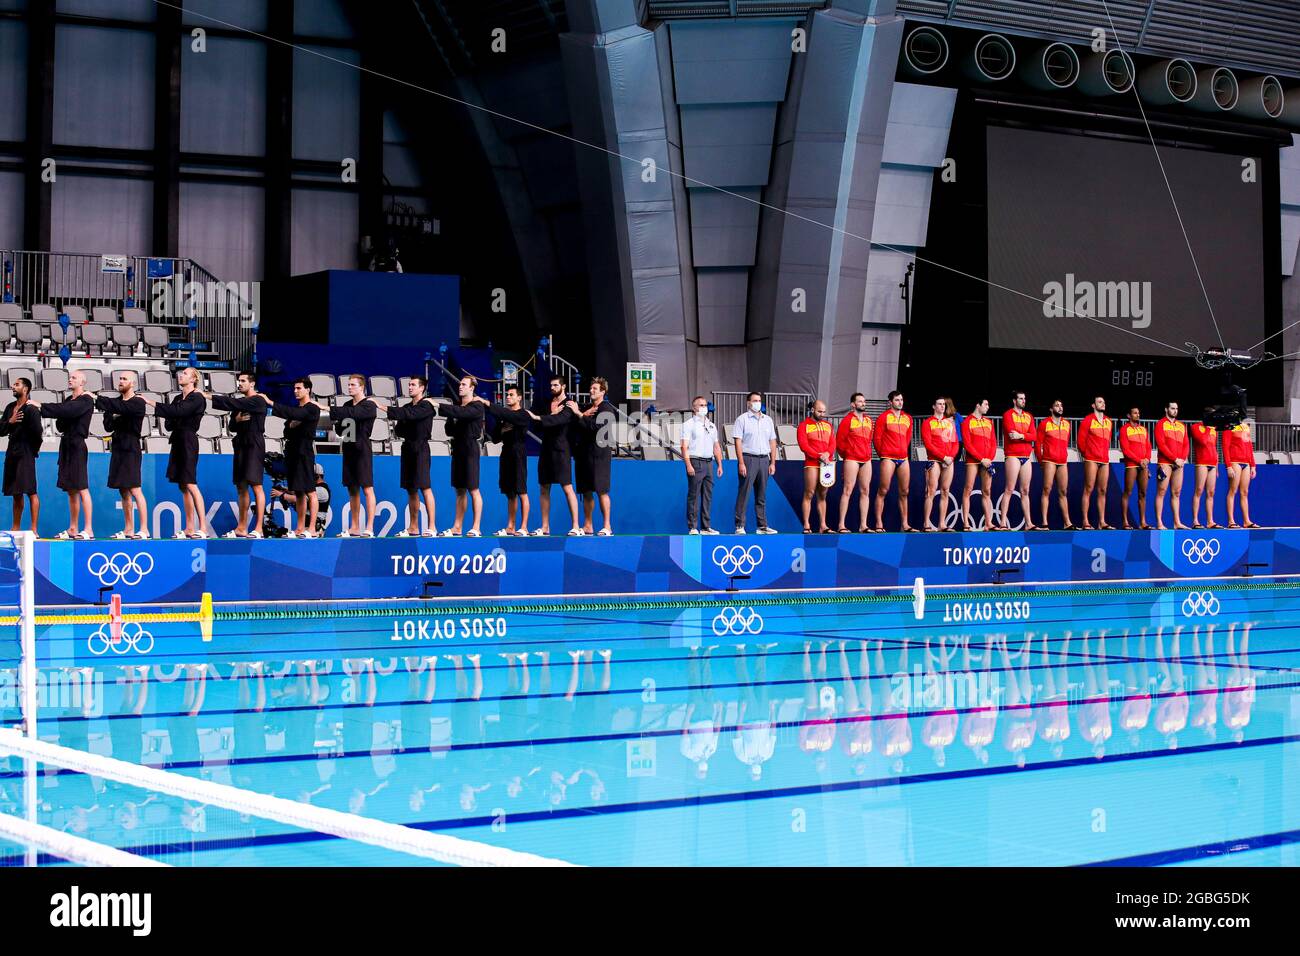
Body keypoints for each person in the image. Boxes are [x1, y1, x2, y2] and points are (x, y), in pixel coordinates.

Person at [142, 367, 208, 538]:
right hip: (177, 440)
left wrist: (152, 403)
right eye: (181, 373)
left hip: (188, 441)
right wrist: (173, 414)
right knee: (182, 485)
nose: (181, 375)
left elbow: (178, 412)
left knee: (190, 482)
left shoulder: (197, 397)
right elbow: (169, 423)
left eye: (185, 373)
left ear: (194, 379)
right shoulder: (178, 398)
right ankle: (189, 528)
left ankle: (203, 528)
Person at [27, 370, 93, 539]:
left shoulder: (86, 399)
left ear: (82, 382)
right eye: (70, 377)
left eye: (74, 378)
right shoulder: (69, 400)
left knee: (81, 487)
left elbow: (68, 411)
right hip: (66, 445)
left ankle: (88, 529)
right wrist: (61, 413)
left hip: (78, 445)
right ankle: (73, 528)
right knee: (71, 490)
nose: (70, 380)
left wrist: (41, 406)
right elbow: (62, 421)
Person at [208, 371, 267, 538]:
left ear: (252, 383)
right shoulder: (239, 403)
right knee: (241, 486)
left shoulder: (258, 400)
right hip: (240, 444)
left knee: (256, 485)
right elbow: (232, 427)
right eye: (238, 381)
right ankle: (241, 528)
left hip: (254, 443)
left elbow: (232, 403)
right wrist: (238, 420)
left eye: (242, 381)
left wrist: (209, 396)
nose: (239, 384)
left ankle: (259, 528)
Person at [376, 376, 437, 536]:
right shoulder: (407, 406)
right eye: (409, 384)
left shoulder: (427, 405)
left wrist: (383, 407)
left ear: (422, 388)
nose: (409, 387)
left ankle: (432, 527)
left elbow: (409, 415)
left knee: (425, 487)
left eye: (413, 385)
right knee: (411, 489)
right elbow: (400, 429)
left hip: (421, 448)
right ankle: (413, 527)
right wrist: (405, 419)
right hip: (407, 448)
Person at [264, 377, 321, 538]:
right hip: (292, 453)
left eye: (299, 388)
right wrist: (291, 424)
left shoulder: (312, 408)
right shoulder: (297, 410)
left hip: (304, 453)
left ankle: (312, 529)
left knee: (311, 491)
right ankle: (300, 528)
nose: (296, 391)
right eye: (294, 389)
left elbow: (296, 415)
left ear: (308, 389)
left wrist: (271, 402)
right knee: (299, 492)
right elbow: (287, 430)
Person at [95, 372, 148, 539]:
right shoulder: (114, 403)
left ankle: (144, 529)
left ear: (132, 383)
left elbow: (125, 410)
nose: (121, 381)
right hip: (117, 447)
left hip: (131, 447)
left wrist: (116, 411)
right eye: (120, 379)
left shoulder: (138, 402)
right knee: (123, 490)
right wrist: (115, 413)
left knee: (135, 489)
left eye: (124, 379)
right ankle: (128, 529)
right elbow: (108, 425)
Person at [473, 385, 532, 536]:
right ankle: (510, 527)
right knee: (509, 493)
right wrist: (498, 422)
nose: (508, 397)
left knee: (521, 491)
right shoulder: (504, 417)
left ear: (519, 398)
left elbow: (510, 416)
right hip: (506, 453)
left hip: (518, 453)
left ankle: (524, 527)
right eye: (507, 395)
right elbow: (495, 439)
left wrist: (487, 403)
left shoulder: (523, 414)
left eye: (511, 395)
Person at [328, 374, 378, 537]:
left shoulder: (369, 405)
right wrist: (339, 422)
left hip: (362, 448)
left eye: (352, 385)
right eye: (348, 385)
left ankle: (369, 527)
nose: (349, 387)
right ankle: (354, 527)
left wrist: (338, 413)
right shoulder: (347, 405)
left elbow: (355, 414)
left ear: (362, 387)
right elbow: (342, 430)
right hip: (349, 448)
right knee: (352, 489)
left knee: (367, 488)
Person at [531, 375, 581, 536]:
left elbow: (559, 420)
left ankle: (576, 526)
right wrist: (547, 416)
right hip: (545, 449)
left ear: (563, 386)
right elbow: (537, 425)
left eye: (555, 385)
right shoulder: (547, 404)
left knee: (567, 487)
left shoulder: (569, 405)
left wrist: (545, 418)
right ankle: (545, 527)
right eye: (551, 385)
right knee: (544, 488)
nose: (552, 388)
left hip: (561, 450)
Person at [573, 376, 616, 536]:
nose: (591, 391)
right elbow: (577, 425)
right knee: (586, 491)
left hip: (599, 455)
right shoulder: (589, 408)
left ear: (602, 392)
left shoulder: (606, 408)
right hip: (584, 455)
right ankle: (588, 525)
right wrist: (582, 414)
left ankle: (607, 526)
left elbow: (596, 428)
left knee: (601, 491)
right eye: (591, 388)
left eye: (595, 389)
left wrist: (580, 414)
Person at [732, 391, 778, 534]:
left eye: (759, 400)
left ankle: (762, 526)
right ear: (748, 403)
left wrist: (773, 462)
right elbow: (738, 442)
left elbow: (772, 441)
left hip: (764, 459)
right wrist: (741, 462)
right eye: (754, 400)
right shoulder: (742, 419)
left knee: (761, 494)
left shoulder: (768, 420)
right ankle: (740, 525)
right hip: (748, 458)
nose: (757, 403)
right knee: (744, 493)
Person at [0, 377, 41, 533]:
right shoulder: (10, 407)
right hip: (12, 451)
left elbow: (38, 432)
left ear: (25, 389)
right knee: (16, 492)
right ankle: (15, 527)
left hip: (26, 451)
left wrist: (33, 450)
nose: (13, 386)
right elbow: (1, 430)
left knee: (31, 491)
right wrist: (9, 422)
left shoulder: (31, 409)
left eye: (17, 384)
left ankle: (34, 529)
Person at [872, 390, 914, 533]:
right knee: (883, 490)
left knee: (904, 491)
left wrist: (902, 451)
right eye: (897, 400)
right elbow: (877, 439)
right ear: (890, 402)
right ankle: (879, 523)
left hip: (903, 458)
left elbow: (908, 438)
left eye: (901, 400)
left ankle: (905, 524)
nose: (900, 402)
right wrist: (883, 454)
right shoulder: (883, 417)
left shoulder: (908, 418)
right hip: (888, 457)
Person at [680, 395, 723, 535]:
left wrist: (720, 464)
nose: (704, 408)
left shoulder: (711, 425)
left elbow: (716, 446)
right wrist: (688, 464)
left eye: (705, 405)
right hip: (695, 461)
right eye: (701, 405)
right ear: (694, 408)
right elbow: (684, 447)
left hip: (709, 462)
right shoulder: (688, 425)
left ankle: (706, 527)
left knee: (707, 496)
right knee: (694, 495)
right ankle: (692, 527)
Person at [834, 393, 873, 533]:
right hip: (852, 458)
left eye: (864, 401)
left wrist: (867, 454)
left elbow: (869, 440)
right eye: (860, 401)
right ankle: (841, 525)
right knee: (847, 490)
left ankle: (863, 525)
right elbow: (839, 442)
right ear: (853, 404)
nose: (863, 403)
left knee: (865, 491)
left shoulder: (869, 420)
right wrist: (848, 455)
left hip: (866, 459)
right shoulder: (847, 420)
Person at [999, 391, 1037, 531]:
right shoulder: (1008, 414)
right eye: (1020, 398)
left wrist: (1021, 435)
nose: (1023, 400)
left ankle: (1028, 523)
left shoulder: (1029, 416)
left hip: (1026, 456)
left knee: (1025, 490)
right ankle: (1003, 523)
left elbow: (1034, 436)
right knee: (1009, 489)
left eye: (1024, 398)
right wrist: (1024, 436)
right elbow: (1011, 434)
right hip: (1013, 455)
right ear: (1014, 400)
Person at [796, 399, 835, 534]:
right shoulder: (803, 425)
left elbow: (832, 444)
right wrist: (819, 455)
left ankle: (823, 525)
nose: (822, 414)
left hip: (826, 464)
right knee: (809, 493)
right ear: (812, 410)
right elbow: (804, 446)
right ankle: (806, 525)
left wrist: (827, 454)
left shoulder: (829, 425)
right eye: (819, 411)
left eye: (824, 411)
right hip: (812, 463)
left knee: (823, 495)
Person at [920, 397, 958, 532]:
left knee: (945, 491)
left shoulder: (949, 424)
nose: (942, 406)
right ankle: (926, 523)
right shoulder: (928, 422)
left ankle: (942, 524)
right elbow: (928, 444)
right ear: (934, 406)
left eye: (944, 404)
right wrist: (943, 457)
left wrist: (951, 458)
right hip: (935, 460)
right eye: (939, 404)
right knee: (930, 491)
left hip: (949, 461)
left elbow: (955, 443)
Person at [1078, 396, 1114, 530]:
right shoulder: (1088, 420)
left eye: (1104, 402)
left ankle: (1102, 522)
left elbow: (1108, 440)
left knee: (1103, 490)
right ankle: (1085, 521)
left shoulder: (1109, 421)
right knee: (1088, 489)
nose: (1103, 404)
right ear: (1093, 405)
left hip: (1104, 459)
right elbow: (1081, 441)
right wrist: (1087, 455)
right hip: (1091, 459)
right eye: (1100, 402)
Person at [960, 399, 997, 531]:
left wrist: (989, 458)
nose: (988, 406)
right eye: (986, 404)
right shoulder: (967, 422)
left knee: (987, 491)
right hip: (973, 461)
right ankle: (966, 524)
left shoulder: (989, 422)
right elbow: (967, 444)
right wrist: (981, 459)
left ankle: (988, 523)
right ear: (978, 405)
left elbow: (994, 443)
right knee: (968, 490)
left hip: (987, 461)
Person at [1153, 401, 1190, 531]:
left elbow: (1186, 444)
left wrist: (1182, 459)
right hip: (1165, 463)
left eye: (1176, 408)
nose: (1175, 411)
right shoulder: (1160, 424)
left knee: (1176, 493)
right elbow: (1161, 445)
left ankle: (1177, 522)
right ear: (1166, 409)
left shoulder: (1182, 426)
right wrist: (1174, 459)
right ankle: (1159, 523)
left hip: (1179, 463)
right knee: (1161, 491)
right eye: (1172, 408)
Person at [1036, 400, 1072, 530]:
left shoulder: (1067, 424)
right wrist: (1041, 461)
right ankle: (1045, 523)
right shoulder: (1044, 424)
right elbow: (1038, 444)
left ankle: (1067, 522)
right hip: (1049, 460)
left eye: (1061, 405)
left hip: (1062, 462)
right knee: (1047, 490)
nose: (1060, 407)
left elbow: (1065, 443)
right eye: (1057, 405)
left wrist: (1065, 457)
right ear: (1051, 409)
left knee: (1063, 492)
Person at [272, 463, 331, 537]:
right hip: (307, 527)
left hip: (313, 528)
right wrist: (285, 489)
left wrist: (281, 495)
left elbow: (300, 499)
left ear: (316, 476)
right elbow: (301, 493)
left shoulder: (322, 490)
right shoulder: (315, 488)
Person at [1117, 407, 1152, 531]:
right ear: (1129, 415)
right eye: (1135, 413)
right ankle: (1125, 522)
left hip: (1143, 465)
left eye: (1138, 412)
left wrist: (1147, 459)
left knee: (1143, 493)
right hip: (1132, 465)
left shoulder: (1143, 429)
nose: (1137, 415)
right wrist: (1139, 461)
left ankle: (1143, 522)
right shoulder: (1124, 430)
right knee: (1128, 492)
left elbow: (1149, 446)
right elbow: (1126, 450)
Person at [1223, 420, 1258, 529]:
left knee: (1245, 492)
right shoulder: (1229, 426)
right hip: (1235, 462)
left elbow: (1250, 447)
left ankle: (1246, 521)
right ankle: (1231, 521)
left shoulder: (1246, 427)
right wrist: (1228, 466)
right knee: (1233, 490)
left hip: (1246, 463)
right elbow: (1225, 446)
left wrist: (1253, 465)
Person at [1189, 411, 1220, 529]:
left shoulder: (1214, 430)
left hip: (1212, 464)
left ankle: (1210, 521)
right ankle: (1195, 521)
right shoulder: (1196, 427)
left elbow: (1214, 448)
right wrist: (1207, 428)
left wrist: (1216, 467)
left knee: (1211, 493)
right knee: (1199, 491)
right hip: (1202, 463)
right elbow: (1202, 441)